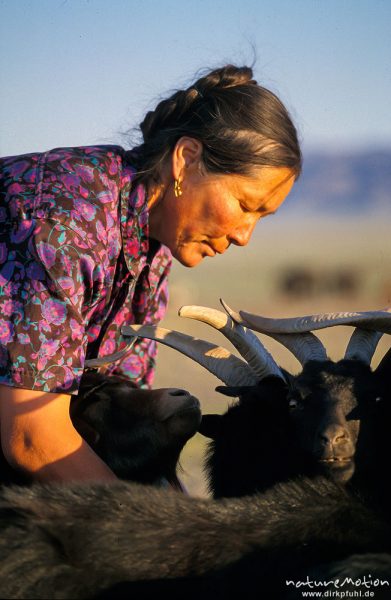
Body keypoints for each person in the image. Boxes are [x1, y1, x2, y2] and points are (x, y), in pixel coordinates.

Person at [0, 64, 301, 483]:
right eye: (245, 205)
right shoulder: (65, 221)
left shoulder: (151, 245)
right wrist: (153, 538)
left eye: (261, 217)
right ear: (186, 160)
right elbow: (32, 437)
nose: (244, 236)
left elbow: (118, 414)